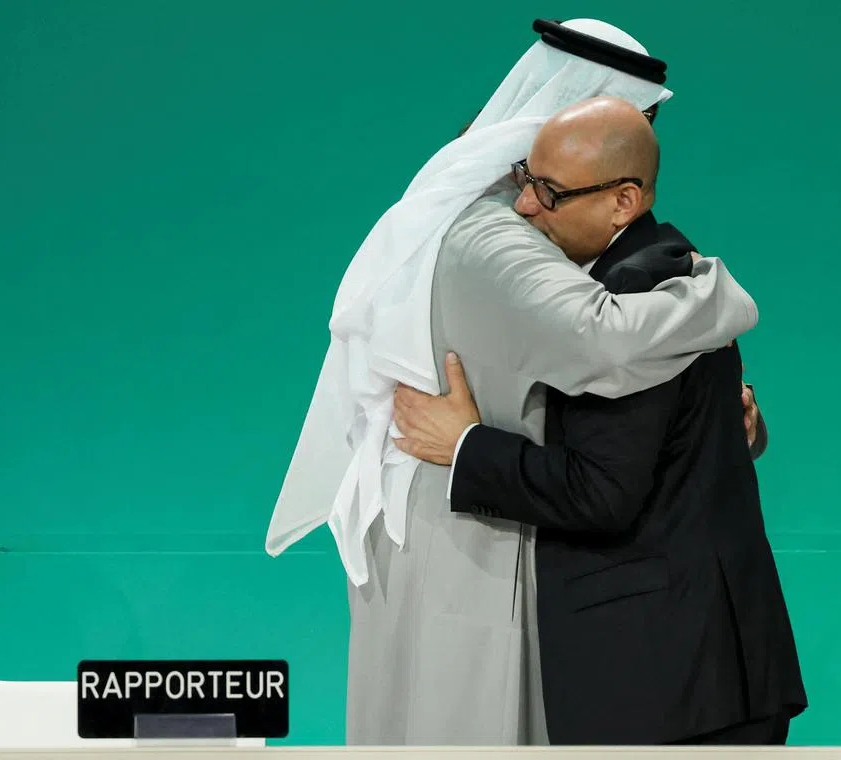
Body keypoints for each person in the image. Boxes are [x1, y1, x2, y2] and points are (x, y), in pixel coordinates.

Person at [264, 19, 760, 745]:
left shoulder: (474, 208)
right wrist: (718, 297)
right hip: (467, 534)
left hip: (459, 512)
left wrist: (710, 416)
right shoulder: (494, 230)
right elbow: (603, 339)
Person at [393, 97, 807, 745]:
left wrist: (465, 446)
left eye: (550, 193)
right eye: (526, 180)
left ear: (623, 200)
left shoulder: (632, 292)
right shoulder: (657, 269)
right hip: (697, 674)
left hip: (672, 683)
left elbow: (602, 492)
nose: (526, 207)